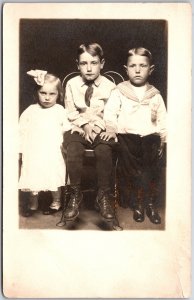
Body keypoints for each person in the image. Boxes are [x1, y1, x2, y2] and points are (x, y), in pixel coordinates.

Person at [103, 47, 167, 224]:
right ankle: (137, 203)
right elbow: (110, 113)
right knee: (133, 172)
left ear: (150, 69)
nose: (137, 70)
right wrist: (110, 128)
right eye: (133, 66)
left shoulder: (155, 95)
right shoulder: (119, 91)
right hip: (127, 138)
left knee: (151, 170)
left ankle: (150, 203)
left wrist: (163, 139)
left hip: (150, 139)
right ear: (126, 69)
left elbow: (163, 119)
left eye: (142, 66)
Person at [63, 42, 117, 221]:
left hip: (101, 126)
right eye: (83, 63)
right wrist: (85, 125)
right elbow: (70, 112)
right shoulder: (71, 84)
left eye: (93, 63)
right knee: (73, 147)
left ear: (102, 63)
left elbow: (110, 113)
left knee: (104, 149)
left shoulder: (110, 86)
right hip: (77, 125)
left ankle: (103, 195)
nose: (88, 68)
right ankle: (75, 193)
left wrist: (97, 127)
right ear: (77, 64)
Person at [19, 70, 71, 217]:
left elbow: (67, 127)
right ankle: (32, 203)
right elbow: (21, 130)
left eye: (52, 94)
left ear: (58, 94)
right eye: (43, 93)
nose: (47, 98)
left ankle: (56, 202)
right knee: (33, 173)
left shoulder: (59, 110)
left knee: (53, 174)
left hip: (52, 150)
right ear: (37, 93)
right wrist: (21, 148)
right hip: (34, 149)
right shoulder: (31, 110)